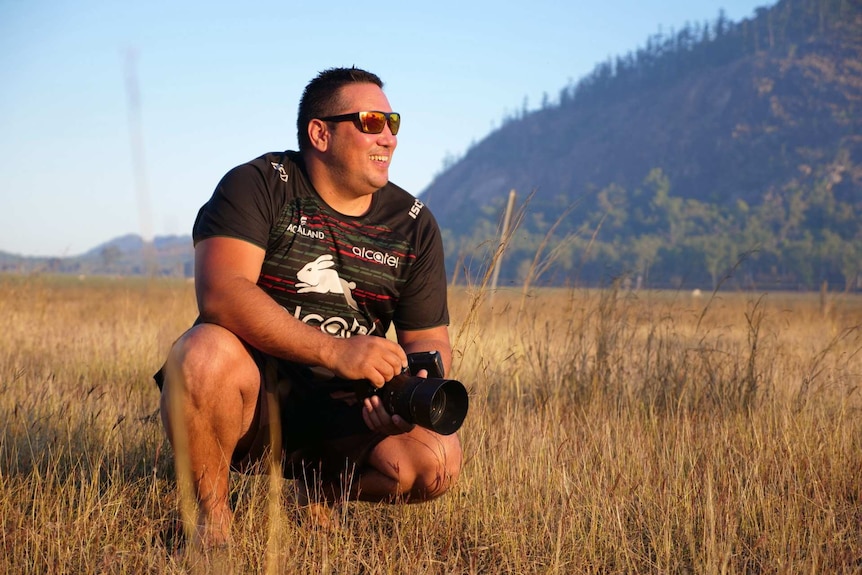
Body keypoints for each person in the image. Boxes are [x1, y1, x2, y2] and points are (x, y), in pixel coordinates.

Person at [155, 67, 461, 547]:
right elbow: (221, 293)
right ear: (320, 132)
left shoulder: (413, 224)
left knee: (435, 461)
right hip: (254, 398)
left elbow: (428, 342)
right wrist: (336, 351)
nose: (389, 138)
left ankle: (318, 491)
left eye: (393, 122)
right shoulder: (259, 184)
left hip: (348, 409)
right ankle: (210, 523)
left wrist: (406, 399)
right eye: (370, 122)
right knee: (203, 352)